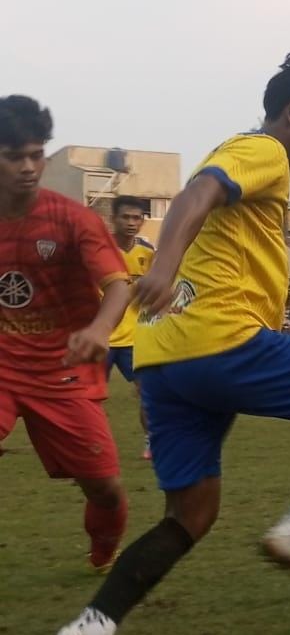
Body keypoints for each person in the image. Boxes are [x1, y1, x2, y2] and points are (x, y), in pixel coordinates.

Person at [51, 48, 290, 635]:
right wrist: (161, 269)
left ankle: (89, 633)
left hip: (161, 362)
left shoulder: (260, 163)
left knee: (192, 514)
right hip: (221, 340)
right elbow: (197, 190)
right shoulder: (262, 149)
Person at [0, 96, 133, 575]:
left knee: (105, 489)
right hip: (2, 365)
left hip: (62, 371)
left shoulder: (73, 220)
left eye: (36, 154)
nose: (29, 167)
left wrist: (100, 328)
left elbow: (118, 285)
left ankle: (102, 549)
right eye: (15, 156)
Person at [106, 195, 156, 460]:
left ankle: (151, 441)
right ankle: (92, 445)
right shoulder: (98, 251)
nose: (131, 222)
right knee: (88, 398)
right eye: (125, 217)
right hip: (101, 337)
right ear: (113, 219)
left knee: (148, 391)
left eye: (136, 218)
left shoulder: (148, 254)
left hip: (135, 339)